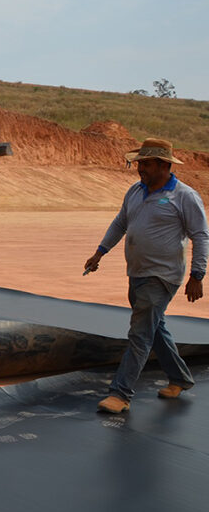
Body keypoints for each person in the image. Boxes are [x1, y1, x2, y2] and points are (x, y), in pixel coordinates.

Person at [84, 137, 208, 414]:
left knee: (140, 334)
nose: (140, 168)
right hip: (137, 273)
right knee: (155, 327)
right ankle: (180, 378)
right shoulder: (135, 191)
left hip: (163, 276)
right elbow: (121, 222)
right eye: (139, 163)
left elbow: (201, 236)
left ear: (164, 165)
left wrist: (198, 274)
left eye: (146, 163)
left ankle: (120, 393)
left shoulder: (185, 196)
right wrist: (100, 252)